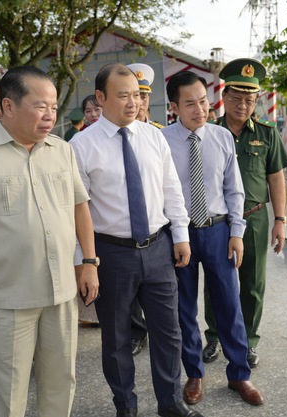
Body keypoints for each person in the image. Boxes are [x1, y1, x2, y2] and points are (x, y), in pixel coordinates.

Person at [0, 66, 99, 417]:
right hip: (6, 299)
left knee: (61, 384)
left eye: (54, 107)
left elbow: (80, 208)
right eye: (40, 105)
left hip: (60, 293)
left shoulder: (62, 150)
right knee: (6, 395)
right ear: (8, 106)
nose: (50, 115)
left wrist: (89, 262)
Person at [70, 63, 207, 417]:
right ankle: (125, 407)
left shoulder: (152, 136)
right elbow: (76, 210)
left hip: (158, 247)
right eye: (122, 95)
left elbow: (171, 190)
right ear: (100, 98)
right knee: (116, 338)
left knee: (169, 329)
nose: (133, 103)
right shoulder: (81, 146)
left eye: (136, 95)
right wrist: (84, 262)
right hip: (111, 252)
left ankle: (170, 400)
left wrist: (180, 235)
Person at [162, 71, 264, 406]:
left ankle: (239, 375)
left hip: (219, 231)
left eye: (203, 101)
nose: (199, 109)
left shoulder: (221, 137)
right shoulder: (162, 141)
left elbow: (234, 190)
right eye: (189, 103)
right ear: (174, 106)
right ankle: (194, 374)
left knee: (229, 304)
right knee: (185, 307)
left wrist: (237, 233)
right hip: (180, 235)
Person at [203, 58, 287, 368]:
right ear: (224, 97)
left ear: (257, 100)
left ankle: (248, 340)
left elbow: (276, 178)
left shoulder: (267, 134)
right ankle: (214, 336)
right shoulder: (209, 133)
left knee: (252, 284)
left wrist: (280, 220)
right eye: (237, 98)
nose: (243, 105)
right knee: (216, 282)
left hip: (253, 218)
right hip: (218, 221)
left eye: (249, 99)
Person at [124, 62, 162, 356]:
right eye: (133, 95)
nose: (138, 103)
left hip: (158, 227)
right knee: (132, 290)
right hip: (126, 228)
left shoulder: (161, 134)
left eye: (144, 96)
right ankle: (137, 331)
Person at [127, 62, 164, 129]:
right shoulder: (119, 131)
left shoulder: (159, 131)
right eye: (135, 96)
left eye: (143, 97)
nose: (140, 103)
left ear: (149, 98)